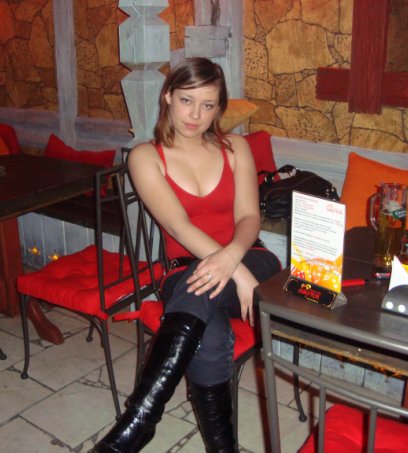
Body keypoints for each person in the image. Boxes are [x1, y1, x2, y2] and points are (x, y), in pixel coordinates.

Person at [91, 57, 281, 453]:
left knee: (199, 292)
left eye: (208, 105)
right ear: (168, 97)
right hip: (186, 272)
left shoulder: (236, 148)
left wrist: (234, 262)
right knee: (209, 336)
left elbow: (249, 218)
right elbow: (178, 227)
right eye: (187, 101)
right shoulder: (144, 157)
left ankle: (136, 425)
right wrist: (231, 272)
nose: (196, 115)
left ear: (219, 108)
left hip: (252, 258)